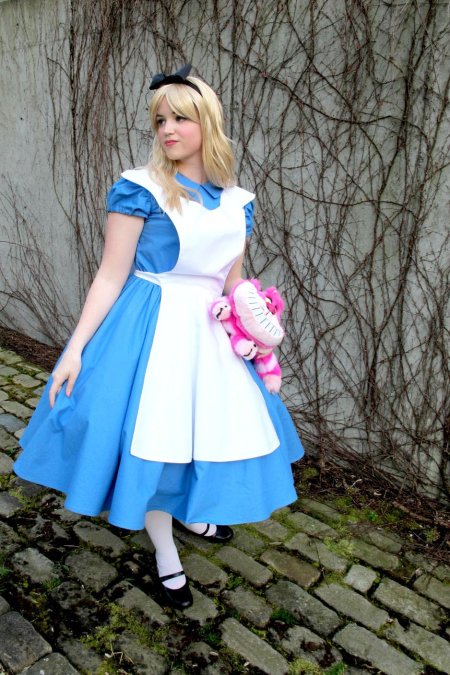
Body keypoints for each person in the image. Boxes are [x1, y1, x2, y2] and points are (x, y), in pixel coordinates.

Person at [13, 65, 304, 610]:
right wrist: (75, 349)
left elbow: (232, 280)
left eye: (180, 118)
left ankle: (192, 512)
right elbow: (110, 275)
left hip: (211, 333)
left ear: (207, 122)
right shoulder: (139, 189)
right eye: (159, 120)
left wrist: (255, 323)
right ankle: (166, 552)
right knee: (155, 435)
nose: (167, 129)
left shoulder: (238, 200)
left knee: (205, 432)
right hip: (149, 328)